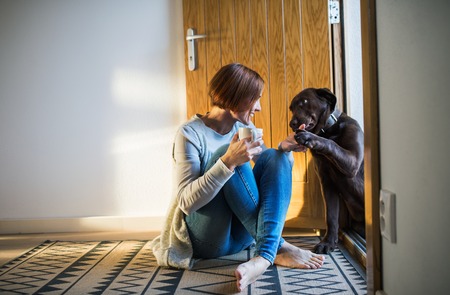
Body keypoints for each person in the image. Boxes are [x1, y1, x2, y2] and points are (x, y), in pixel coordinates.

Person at [151, 63, 325, 292]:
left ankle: (264, 255)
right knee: (225, 155)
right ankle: (277, 248)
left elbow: (268, 173)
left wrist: (285, 149)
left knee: (276, 156)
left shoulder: (244, 128)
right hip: (207, 240)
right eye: (256, 99)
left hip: (243, 237)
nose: (259, 108)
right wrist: (227, 162)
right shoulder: (189, 134)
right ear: (235, 96)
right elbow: (186, 202)